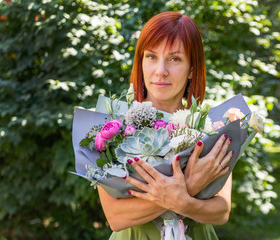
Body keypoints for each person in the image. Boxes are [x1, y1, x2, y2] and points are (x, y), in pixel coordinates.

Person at [98, 11, 234, 239]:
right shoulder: (113, 128)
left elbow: (221, 211)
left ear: (192, 68)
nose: (160, 70)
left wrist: (180, 199)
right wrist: (189, 187)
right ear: (140, 62)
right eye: (151, 57)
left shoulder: (210, 128)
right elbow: (116, 218)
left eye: (174, 59)